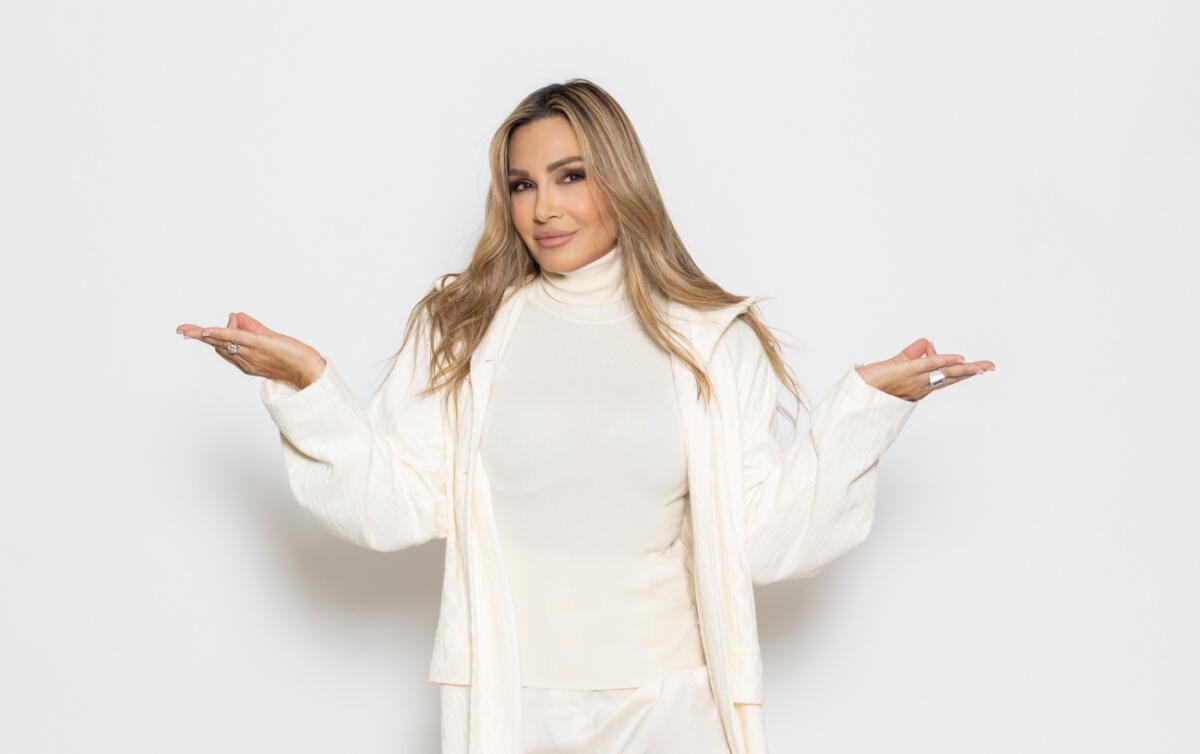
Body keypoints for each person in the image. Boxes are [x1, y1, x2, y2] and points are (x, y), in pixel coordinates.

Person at [176, 79, 994, 754]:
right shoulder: (465, 330)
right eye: (522, 185)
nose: (544, 208)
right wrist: (309, 386)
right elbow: (393, 506)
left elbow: (766, 538)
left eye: (570, 176)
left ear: (621, 181)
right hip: (512, 707)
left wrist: (867, 409)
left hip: (672, 711)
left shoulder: (711, 341)